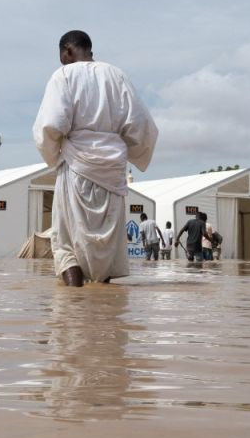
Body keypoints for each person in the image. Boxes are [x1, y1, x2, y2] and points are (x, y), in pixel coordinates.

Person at [34, 30, 158, 287]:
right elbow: (142, 125)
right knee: (106, 246)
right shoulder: (116, 75)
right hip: (113, 170)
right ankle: (105, 316)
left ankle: (74, 307)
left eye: (62, 57)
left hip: (76, 167)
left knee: (68, 244)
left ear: (67, 52)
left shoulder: (64, 75)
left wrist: (53, 154)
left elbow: (51, 124)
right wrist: (133, 153)